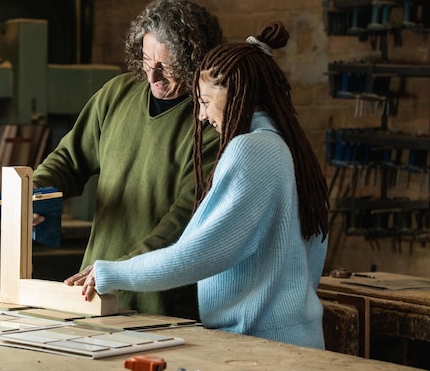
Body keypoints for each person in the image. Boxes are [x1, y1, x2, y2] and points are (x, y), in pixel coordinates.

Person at [65, 21, 330, 349]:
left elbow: (201, 253)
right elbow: (314, 247)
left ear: (234, 94)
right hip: (286, 339)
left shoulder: (249, 149)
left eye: (205, 102)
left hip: (262, 346)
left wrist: (112, 272)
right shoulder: (281, 144)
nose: (202, 116)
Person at [32, 0, 224, 319]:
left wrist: (119, 270)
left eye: (167, 65)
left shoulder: (210, 122)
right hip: (91, 293)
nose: (153, 76)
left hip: (163, 308)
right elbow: (68, 158)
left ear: (195, 61)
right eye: (148, 62)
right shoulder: (117, 94)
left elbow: (185, 220)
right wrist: (36, 192)